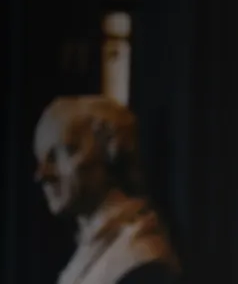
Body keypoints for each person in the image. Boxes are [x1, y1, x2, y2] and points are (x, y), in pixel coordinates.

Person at [33, 96, 180, 284]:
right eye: (42, 159)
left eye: (64, 152)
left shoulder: (137, 253)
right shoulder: (89, 250)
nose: (42, 174)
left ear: (109, 150)